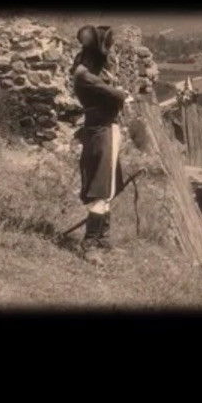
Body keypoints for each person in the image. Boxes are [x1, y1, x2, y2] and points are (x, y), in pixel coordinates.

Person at [70, 25, 133, 264]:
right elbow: (82, 76)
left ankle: (102, 239)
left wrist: (115, 91)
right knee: (100, 188)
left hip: (105, 129)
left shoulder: (92, 74)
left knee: (107, 188)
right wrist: (119, 94)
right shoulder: (84, 74)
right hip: (101, 130)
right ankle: (90, 244)